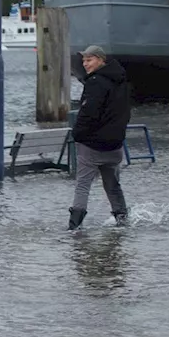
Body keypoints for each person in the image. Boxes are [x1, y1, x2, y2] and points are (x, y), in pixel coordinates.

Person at [68, 44, 131, 230]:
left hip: (92, 145)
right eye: (84, 61)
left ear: (101, 60)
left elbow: (88, 112)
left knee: (82, 185)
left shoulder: (95, 82)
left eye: (90, 60)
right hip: (115, 146)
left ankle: (73, 228)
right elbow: (125, 113)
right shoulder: (122, 82)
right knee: (112, 185)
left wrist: (77, 134)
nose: (85, 64)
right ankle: (122, 220)